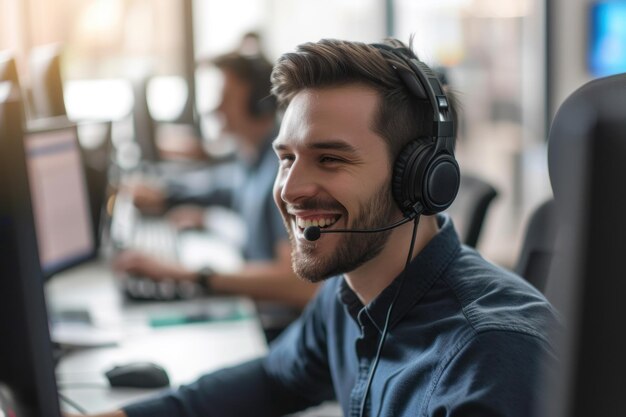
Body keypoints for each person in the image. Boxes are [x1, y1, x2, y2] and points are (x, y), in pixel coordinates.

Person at [79, 38, 559, 417]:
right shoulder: (349, 291)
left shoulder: (490, 356)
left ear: (417, 179)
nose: (290, 190)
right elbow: (273, 380)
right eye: (287, 159)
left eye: (329, 159)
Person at [116, 51, 319, 318]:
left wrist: (189, 275)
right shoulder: (251, 158)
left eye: (225, 97)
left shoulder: (281, 174)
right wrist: (168, 195)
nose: (214, 108)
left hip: (276, 326)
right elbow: (221, 187)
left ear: (260, 103)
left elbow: (299, 283)